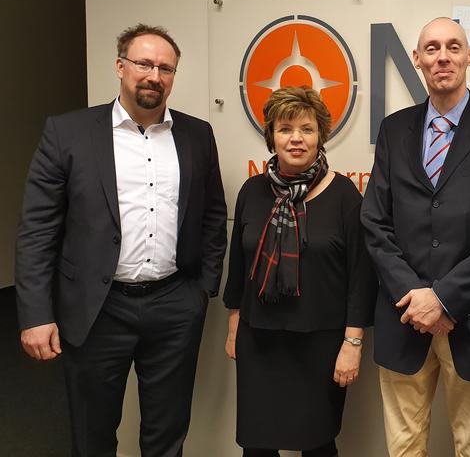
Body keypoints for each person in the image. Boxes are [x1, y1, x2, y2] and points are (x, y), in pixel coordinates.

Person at [15, 23, 228, 456]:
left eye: (166, 68)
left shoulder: (197, 135)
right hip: (97, 308)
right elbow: (37, 230)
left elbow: (212, 216)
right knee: (93, 435)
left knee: (166, 435)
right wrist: (35, 313)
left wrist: (201, 291)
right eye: (144, 63)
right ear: (119, 66)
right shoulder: (68, 133)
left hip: (174, 304)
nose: (154, 75)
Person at [361, 17, 470, 457]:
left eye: (454, 47)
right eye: (433, 48)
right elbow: (375, 222)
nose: (444, 56)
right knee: (403, 449)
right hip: (403, 317)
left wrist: (444, 299)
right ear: (417, 60)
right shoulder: (393, 129)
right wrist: (414, 295)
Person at [223, 86, 376, 457]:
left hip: (320, 344)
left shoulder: (345, 197)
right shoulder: (252, 191)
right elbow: (239, 267)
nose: (296, 139)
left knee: (318, 444)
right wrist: (233, 329)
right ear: (271, 135)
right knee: (257, 445)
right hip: (258, 339)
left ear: (320, 136)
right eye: (285, 128)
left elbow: (361, 278)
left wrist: (352, 346)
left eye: (306, 129)